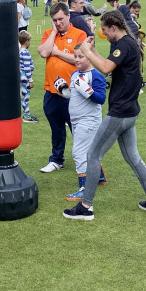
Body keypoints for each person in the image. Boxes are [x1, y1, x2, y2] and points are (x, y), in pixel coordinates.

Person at [63, 10, 146, 220]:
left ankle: (86, 207)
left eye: (105, 31)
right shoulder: (122, 43)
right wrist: (93, 50)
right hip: (130, 112)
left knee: (92, 155)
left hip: (120, 113)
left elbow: (105, 69)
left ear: (114, 28)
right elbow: (108, 64)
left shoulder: (124, 44)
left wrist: (86, 51)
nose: (104, 34)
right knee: (132, 157)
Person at [38, 3, 88, 172]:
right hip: (51, 90)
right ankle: (56, 159)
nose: (58, 23)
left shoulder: (79, 34)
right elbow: (44, 52)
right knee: (56, 127)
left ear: (68, 16)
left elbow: (79, 59)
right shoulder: (48, 34)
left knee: (76, 128)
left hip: (73, 92)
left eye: (60, 19)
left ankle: (85, 160)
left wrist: (58, 52)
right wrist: (53, 32)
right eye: (54, 20)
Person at [64, 43, 108, 201]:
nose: (76, 59)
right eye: (75, 56)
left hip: (88, 120)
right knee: (89, 150)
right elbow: (74, 96)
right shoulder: (75, 74)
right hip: (76, 120)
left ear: (89, 57)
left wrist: (87, 90)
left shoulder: (95, 75)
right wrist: (63, 90)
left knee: (79, 152)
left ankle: (84, 188)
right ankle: (100, 177)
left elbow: (101, 99)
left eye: (81, 56)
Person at [18, 31, 38, 123]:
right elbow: (27, 68)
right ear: (26, 41)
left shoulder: (19, 51)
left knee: (24, 95)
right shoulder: (25, 52)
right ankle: (26, 116)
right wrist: (30, 80)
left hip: (21, 76)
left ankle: (26, 114)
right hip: (25, 77)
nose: (30, 42)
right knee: (26, 96)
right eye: (29, 40)